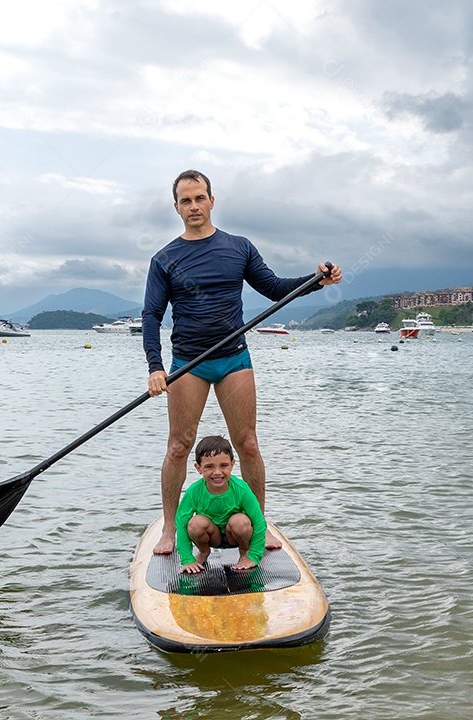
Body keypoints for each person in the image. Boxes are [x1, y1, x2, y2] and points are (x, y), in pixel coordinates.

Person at [142, 169, 342, 555]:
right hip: (188, 363)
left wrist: (316, 280)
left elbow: (274, 288)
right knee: (178, 448)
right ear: (176, 207)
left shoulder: (239, 247)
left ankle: (260, 526)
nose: (194, 206)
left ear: (212, 201)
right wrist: (155, 366)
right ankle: (169, 529)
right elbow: (151, 315)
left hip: (234, 359)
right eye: (186, 200)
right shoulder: (165, 258)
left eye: (200, 198)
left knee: (247, 444)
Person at [175, 435, 265, 573]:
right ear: (198, 468)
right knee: (195, 523)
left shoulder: (241, 489)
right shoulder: (194, 491)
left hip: (235, 535)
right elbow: (181, 524)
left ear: (232, 464)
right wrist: (187, 559)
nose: (217, 472)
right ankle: (204, 552)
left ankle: (245, 552)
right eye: (209, 467)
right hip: (212, 536)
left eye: (223, 465)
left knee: (240, 521)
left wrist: (255, 555)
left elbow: (259, 522)